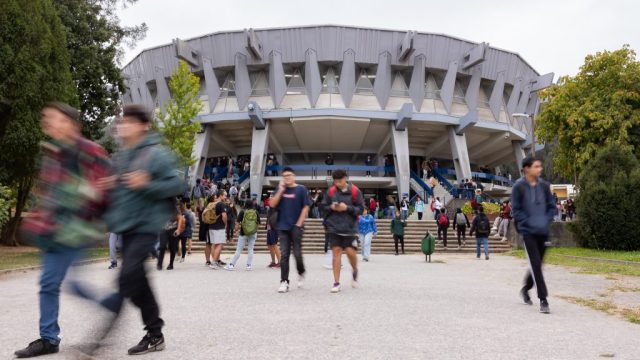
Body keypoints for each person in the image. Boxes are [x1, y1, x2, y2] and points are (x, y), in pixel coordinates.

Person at [15, 102, 110, 359]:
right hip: (54, 230)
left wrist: (83, 198)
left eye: (53, 118)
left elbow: (105, 189)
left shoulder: (91, 151)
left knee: (68, 284)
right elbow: (47, 191)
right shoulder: (52, 152)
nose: (47, 122)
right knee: (49, 283)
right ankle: (48, 338)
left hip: (78, 229)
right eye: (45, 118)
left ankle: (113, 304)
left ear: (71, 123)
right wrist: (38, 215)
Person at [92, 104, 183, 355]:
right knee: (138, 283)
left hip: (146, 227)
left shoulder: (156, 154)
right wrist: (110, 186)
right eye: (123, 121)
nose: (124, 126)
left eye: (131, 121)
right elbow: (121, 193)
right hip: (125, 228)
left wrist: (148, 183)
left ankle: (98, 341)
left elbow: (177, 183)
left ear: (144, 126)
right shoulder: (121, 158)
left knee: (125, 279)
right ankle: (155, 333)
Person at [511, 156, 556, 314]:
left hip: (543, 231)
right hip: (528, 232)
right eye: (536, 166)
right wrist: (527, 222)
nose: (540, 169)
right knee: (536, 264)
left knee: (538, 264)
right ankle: (543, 299)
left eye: (540, 166)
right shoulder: (519, 187)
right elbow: (516, 210)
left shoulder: (544, 186)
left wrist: (546, 220)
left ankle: (525, 288)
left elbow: (552, 207)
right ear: (527, 168)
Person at [320, 169, 365, 292]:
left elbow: (361, 209)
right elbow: (323, 207)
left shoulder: (355, 191)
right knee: (336, 252)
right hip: (334, 227)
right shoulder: (331, 191)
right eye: (336, 181)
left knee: (351, 253)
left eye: (340, 181)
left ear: (345, 178)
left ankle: (354, 269)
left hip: (350, 228)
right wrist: (332, 207)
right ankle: (336, 282)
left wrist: (347, 208)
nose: (338, 184)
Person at [269, 167, 310, 293]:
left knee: (297, 253)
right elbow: (272, 204)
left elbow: (305, 207)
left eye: (289, 175)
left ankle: (301, 271)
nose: (287, 177)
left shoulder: (301, 189)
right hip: (282, 226)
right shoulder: (280, 189)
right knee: (284, 255)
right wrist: (281, 190)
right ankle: (284, 281)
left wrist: (299, 223)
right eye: (284, 175)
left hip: (296, 226)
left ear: (294, 176)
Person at [225, 200, 260, 271]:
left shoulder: (242, 212)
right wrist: (254, 230)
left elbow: (237, 223)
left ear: (245, 204)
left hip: (243, 233)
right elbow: (258, 223)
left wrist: (236, 231)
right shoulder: (256, 212)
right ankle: (248, 266)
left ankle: (231, 265)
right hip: (253, 233)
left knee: (238, 250)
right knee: (250, 249)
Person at [205, 190, 228, 269]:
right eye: (225, 195)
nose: (226, 197)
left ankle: (215, 261)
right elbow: (224, 216)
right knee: (219, 245)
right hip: (219, 227)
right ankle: (214, 262)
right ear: (220, 195)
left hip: (211, 227)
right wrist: (225, 224)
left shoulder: (212, 204)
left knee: (214, 245)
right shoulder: (221, 204)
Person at [157, 204, 185, 270]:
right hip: (163, 229)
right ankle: (160, 263)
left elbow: (180, 218)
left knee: (172, 247)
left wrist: (178, 229)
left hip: (173, 229)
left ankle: (171, 264)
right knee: (162, 246)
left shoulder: (174, 207)